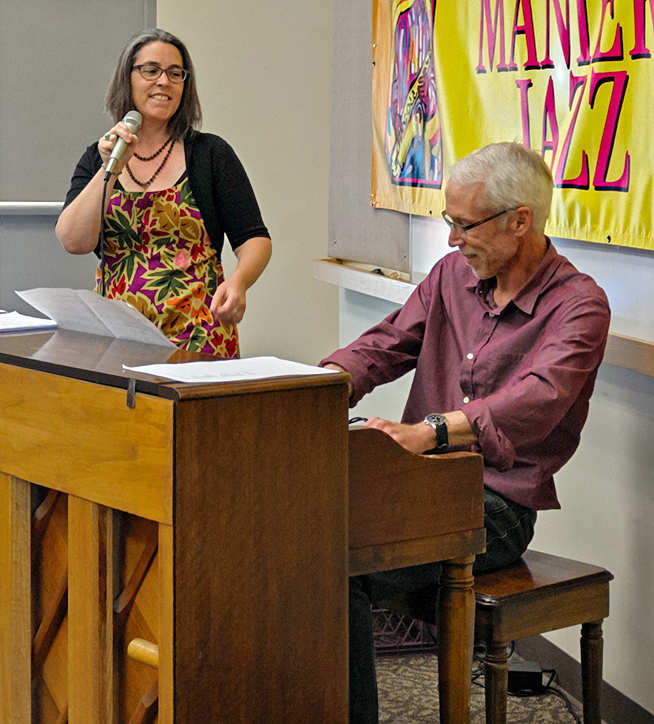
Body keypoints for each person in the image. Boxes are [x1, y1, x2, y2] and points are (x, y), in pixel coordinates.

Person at [321, 142, 610, 724]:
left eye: (463, 224)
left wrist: (431, 432)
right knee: (299, 530)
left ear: (519, 221)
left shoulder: (580, 306)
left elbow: (535, 402)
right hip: (413, 483)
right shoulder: (452, 275)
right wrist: (319, 386)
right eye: (448, 222)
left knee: (335, 565)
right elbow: (385, 343)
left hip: (495, 506)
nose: (451, 239)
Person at [56, 29, 272, 357]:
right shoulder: (99, 157)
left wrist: (240, 281)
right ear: (126, 79)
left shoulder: (211, 154)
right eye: (151, 70)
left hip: (199, 333)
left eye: (175, 73)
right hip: (119, 338)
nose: (164, 81)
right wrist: (110, 169)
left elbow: (255, 238)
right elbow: (74, 241)